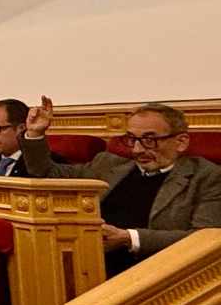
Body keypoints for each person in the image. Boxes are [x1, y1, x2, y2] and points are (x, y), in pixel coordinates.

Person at [22, 98, 221, 277]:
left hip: (154, 272)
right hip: (87, 263)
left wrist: (129, 238)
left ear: (181, 142)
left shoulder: (207, 177)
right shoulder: (108, 165)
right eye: (132, 139)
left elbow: (205, 239)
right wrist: (35, 134)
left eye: (149, 140)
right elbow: (47, 173)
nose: (137, 149)